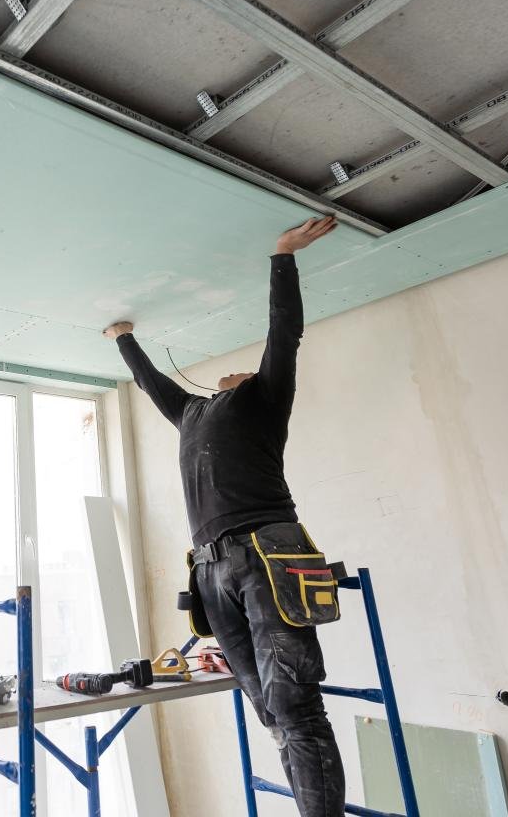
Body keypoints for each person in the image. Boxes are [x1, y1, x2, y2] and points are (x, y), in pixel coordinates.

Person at [103, 215, 344, 817]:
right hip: (211, 571)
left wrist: (283, 255)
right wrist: (123, 340)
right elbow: (155, 387)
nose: (231, 371)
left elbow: (282, 334)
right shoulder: (191, 412)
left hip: (266, 553)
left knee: (294, 704)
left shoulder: (264, 398)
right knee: (267, 708)